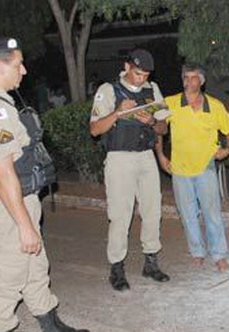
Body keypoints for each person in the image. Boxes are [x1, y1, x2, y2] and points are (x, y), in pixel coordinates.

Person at [0, 37, 90, 332]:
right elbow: (3, 172)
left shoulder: (5, 102)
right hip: (11, 205)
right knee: (10, 272)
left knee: (36, 266)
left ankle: (53, 330)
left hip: (22, 200)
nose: (24, 69)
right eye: (17, 63)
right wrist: (23, 225)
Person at [89, 48, 171, 291]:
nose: (141, 79)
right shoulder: (108, 90)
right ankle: (116, 267)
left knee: (152, 210)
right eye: (137, 74)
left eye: (145, 75)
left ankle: (151, 262)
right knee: (120, 214)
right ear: (126, 67)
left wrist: (153, 122)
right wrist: (118, 112)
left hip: (146, 157)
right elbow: (95, 130)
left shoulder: (152, 89)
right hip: (119, 158)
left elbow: (164, 129)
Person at [155, 64, 229, 272]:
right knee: (188, 214)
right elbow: (159, 130)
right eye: (186, 78)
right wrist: (161, 155)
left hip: (205, 165)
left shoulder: (214, 105)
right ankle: (197, 252)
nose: (189, 82)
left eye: (193, 78)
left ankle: (219, 255)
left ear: (202, 81)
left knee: (212, 212)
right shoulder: (170, 102)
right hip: (179, 168)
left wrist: (226, 148)